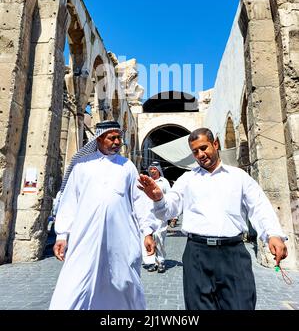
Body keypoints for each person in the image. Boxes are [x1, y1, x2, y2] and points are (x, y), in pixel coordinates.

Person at [138, 127, 288, 310]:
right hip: (197, 255)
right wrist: (158, 198)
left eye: (203, 148)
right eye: (195, 151)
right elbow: (169, 210)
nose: (200, 154)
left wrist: (273, 234)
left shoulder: (239, 177)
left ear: (215, 144)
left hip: (233, 253)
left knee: (241, 305)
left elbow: (259, 206)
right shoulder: (187, 179)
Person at [49, 120, 156, 310]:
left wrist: (147, 231)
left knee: (124, 283)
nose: (117, 142)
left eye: (119, 138)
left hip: (121, 238)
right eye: (112, 138)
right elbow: (69, 203)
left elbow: (140, 201)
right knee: (75, 283)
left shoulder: (127, 166)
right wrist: (62, 235)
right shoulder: (82, 166)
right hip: (85, 237)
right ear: (99, 138)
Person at [146, 161, 171, 273]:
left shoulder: (164, 182)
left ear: (158, 170)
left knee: (159, 237)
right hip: (150, 214)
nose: (152, 171)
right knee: (151, 238)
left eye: (154, 169)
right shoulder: (147, 181)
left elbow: (169, 197)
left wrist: (172, 216)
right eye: (150, 169)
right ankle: (154, 262)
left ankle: (161, 261)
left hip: (161, 214)